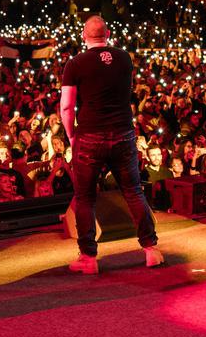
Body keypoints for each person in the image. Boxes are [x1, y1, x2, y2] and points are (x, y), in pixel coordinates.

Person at [60, 16, 163, 274]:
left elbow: (66, 107)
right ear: (107, 34)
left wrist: (71, 135)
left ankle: (88, 258)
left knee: (85, 198)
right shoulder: (125, 58)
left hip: (90, 136)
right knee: (133, 192)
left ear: (83, 36)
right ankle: (151, 250)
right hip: (123, 133)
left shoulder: (75, 64)